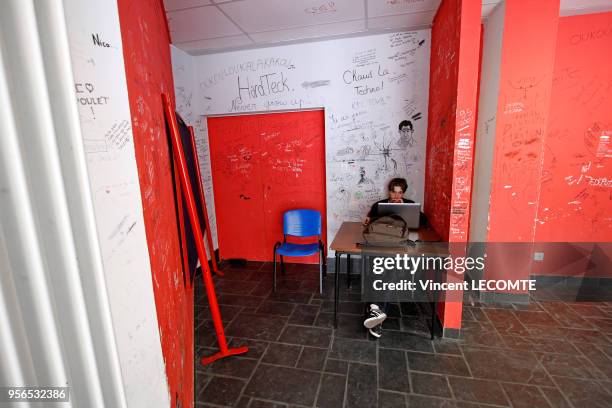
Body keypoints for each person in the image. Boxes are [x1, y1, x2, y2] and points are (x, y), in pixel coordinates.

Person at [362, 177, 424, 338]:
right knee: (379, 273)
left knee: (389, 274)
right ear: (389, 191)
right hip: (380, 246)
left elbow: (423, 221)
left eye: (400, 193)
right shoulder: (379, 206)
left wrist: (405, 211)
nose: (396, 196)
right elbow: (370, 225)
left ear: (403, 193)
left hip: (399, 247)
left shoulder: (410, 205)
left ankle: (376, 313)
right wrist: (368, 220)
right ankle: (377, 315)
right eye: (393, 192)